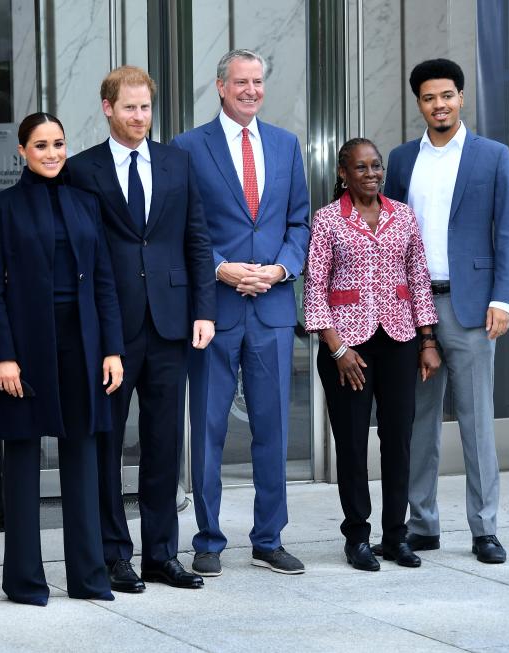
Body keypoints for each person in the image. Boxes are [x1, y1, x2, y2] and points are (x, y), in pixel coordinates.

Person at [68, 66, 216, 592]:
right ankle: (114, 554)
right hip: (113, 328)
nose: (139, 117)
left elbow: (196, 240)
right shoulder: (82, 170)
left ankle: (160, 554)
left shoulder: (178, 162)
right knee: (108, 443)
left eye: (146, 107)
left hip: (173, 323)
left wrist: (204, 311)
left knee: (163, 443)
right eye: (129, 107)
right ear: (107, 108)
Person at [0, 112, 125, 605]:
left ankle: (88, 577)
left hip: (82, 344)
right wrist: (3, 357)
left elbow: (104, 282)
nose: (52, 153)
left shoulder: (87, 203)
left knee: (83, 456)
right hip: (25, 347)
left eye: (58, 143)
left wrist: (112, 349)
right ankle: (24, 582)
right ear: (22, 150)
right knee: (20, 461)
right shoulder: (0, 209)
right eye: (41, 145)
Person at [172, 49, 310, 576]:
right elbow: (181, 226)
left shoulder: (286, 144)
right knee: (207, 428)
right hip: (216, 307)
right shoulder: (188, 148)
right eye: (241, 82)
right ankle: (208, 537)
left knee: (272, 428)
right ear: (220, 86)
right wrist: (221, 268)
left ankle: (269, 537)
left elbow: (299, 222)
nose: (251, 90)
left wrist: (279, 270)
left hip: (272, 307)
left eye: (258, 81)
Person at [378, 58, 509, 564]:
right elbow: (386, 236)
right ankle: (422, 525)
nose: (439, 105)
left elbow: (507, 231)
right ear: (418, 103)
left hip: (472, 306)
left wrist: (502, 298)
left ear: (461, 97)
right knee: (415, 419)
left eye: (447, 95)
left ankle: (485, 529)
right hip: (412, 307)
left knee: (476, 421)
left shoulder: (491, 156)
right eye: (428, 97)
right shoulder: (399, 161)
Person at [303, 138, 440, 571]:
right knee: (351, 442)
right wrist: (337, 347)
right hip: (346, 346)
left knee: (398, 439)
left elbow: (418, 278)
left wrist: (428, 339)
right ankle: (357, 537)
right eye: (360, 167)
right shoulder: (327, 220)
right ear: (343, 172)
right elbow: (314, 288)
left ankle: (396, 537)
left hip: (398, 340)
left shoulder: (403, 216)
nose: (371, 174)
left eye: (376, 166)